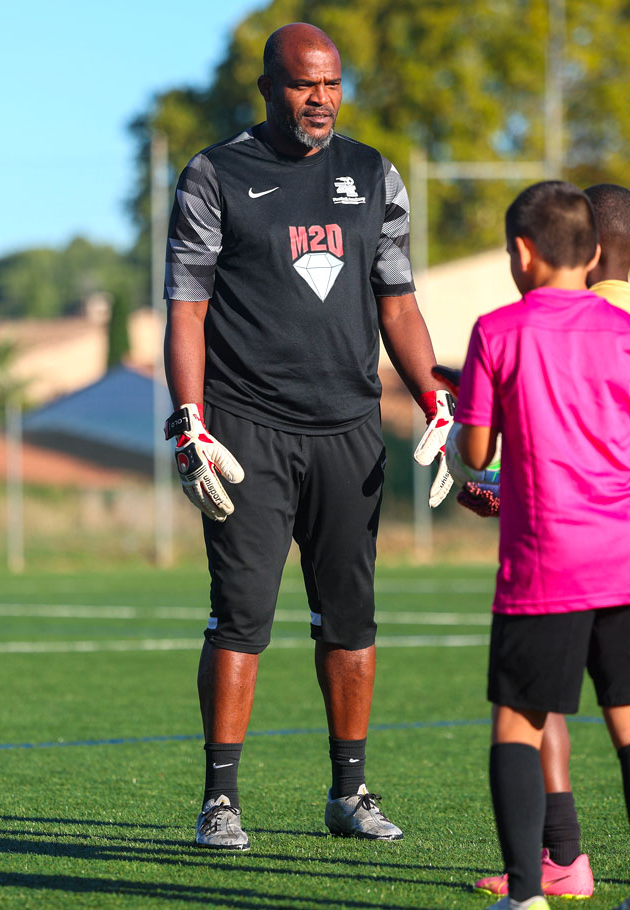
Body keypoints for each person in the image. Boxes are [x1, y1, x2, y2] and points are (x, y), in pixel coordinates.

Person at [163, 22, 452, 850]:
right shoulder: (215, 174)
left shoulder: (374, 174)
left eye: (330, 84)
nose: (320, 100)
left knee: (351, 619)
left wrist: (434, 397)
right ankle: (221, 801)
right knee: (241, 615)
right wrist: (190, 419)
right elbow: (186, 308)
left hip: (351, 430)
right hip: (247, 429)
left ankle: (350, 793)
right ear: (268, 87)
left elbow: (396, 303)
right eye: (302, 84)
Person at [452, 180, 630, 910]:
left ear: (523, 252)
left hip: (544, 561)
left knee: (518, 722)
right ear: (595, 253)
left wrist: (470, 434)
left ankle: (527, 894)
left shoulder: (498, 331)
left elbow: (479, 447)